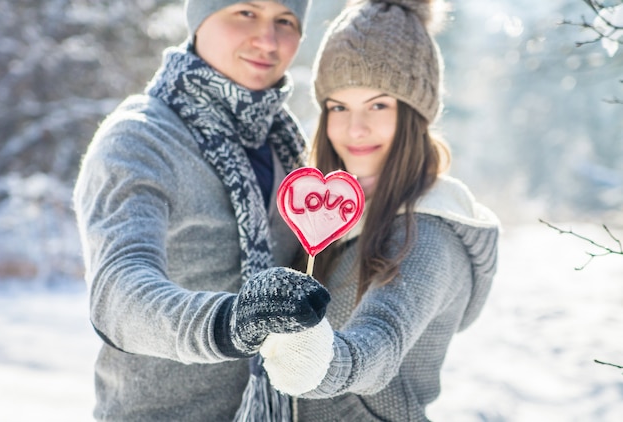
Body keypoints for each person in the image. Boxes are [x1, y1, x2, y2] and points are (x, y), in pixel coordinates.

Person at [73, 1, 331, 421]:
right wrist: (230, 323)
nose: (267, 39)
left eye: (285, 21)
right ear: (199, 19)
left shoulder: (288, 146)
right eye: (245, 12)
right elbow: (118, 294)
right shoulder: (139, 138)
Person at [257, 0, 501, 421]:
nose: (355, 129)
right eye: (338, 107)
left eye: (378, 105)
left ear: (414, 113)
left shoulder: (428, 233)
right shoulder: (329, 214)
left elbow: (382, 337)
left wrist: (322, 362)